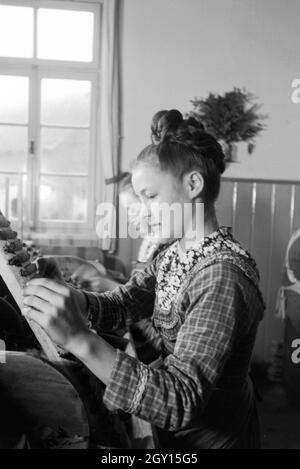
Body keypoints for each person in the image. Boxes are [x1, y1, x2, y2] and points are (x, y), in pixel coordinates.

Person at [22, 109, 265, 449]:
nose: (142, 210)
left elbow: (179, 401)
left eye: (150, 196)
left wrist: (79, 339)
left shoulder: (222, 278)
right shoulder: (172, 253)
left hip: (210, 440)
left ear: (193, 184)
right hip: (174, 437)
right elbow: (125, 302)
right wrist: (76, 300)